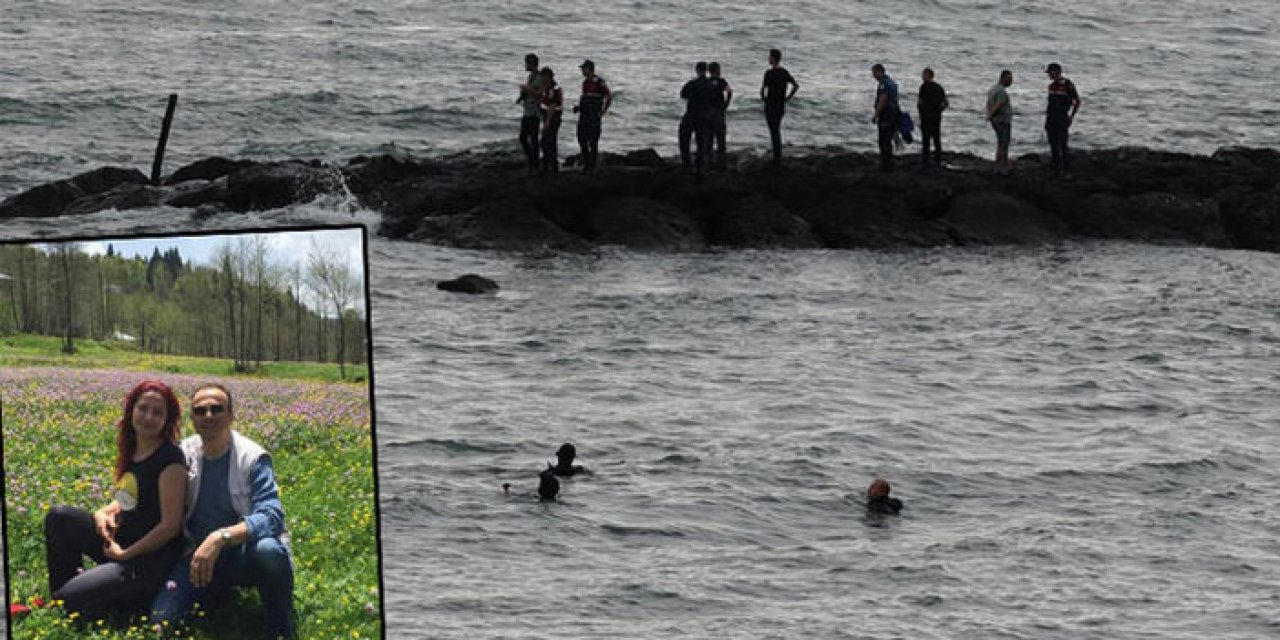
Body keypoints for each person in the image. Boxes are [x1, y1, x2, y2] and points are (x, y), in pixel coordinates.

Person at [150, 383, 295, 639]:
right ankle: (218, 594)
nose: (208, 416)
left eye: (216, 409)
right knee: (161, 623)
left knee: (269, 551)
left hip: (242, 555)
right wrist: (115, 506)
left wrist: (220, 537)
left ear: (231, 416)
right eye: (200, 411)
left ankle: (280, 622)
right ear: (192, 420)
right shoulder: (183, 453)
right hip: (195, 556)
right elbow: (148, 488)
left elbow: (272, 517)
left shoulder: (252, 457)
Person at [43, 381, 187, 621]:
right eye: (143, 408)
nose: (148, 417)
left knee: (70, 600)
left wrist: (126, 554)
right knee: (60, 517)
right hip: (120, 544)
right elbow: (127, 499)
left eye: (157, 412)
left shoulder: (171, 460)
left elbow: (170, 526)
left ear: (166, 420)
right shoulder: (134, 449)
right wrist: (102, 513)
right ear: (132, 409)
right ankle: (67, 594)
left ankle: (111, 600)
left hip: (146, 562)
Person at [760, 49, 798, 165]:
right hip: (780, 104)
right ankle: (777, 154)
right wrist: (787, 98)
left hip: (771, 104)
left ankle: (777, 156)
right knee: (776, 129)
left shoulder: (769, 73)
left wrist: (765, 100)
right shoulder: (784, 72)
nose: (768, 58)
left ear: (773, 58)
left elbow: (763, 90)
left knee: (773, 130)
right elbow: (796, 86)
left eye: (769, 57)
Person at [574, 59, 612, 173]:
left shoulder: (599, 82)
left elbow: (608, 95)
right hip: (584, 114)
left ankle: (592, 166)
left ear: (589, 69)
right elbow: (586, 98)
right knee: (581, 138)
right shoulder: (585, 83)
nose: (582, 71)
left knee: (593, 140)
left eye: (584, 69)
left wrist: (604, 110)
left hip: (593, 115)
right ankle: (587, 162)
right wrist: (579, 107)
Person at [1044, 62, 1081, 176]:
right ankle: (1055, 168)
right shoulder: (1051, 86)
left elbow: (1077, 101)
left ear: (1057, 72)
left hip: (1062, 117)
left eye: (1050, 72)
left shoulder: (1068, 85)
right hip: (1051, 117)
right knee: (1053, 143)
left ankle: (1066, 169)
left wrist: (1071, 116)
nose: (1049, 75)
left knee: (1062, 144)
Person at [679, 61, 716, 174]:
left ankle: (687, 163)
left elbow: (683, 95)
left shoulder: (692, 83)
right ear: (706, 70)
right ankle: (700, 166)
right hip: (705, 116)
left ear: (697, 70)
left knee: (684, 139)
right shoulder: (711, 85)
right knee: (701, 142)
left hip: (691, 114)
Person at [517, 53, 546, 173]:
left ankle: (534, 162)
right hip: (527, 111)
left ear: (531, 64)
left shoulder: (539, 78)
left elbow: (541, 94)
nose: (525, 65)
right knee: (523, 138)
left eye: (527, 63)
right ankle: (531, 160)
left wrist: (528, 89)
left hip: (534, 113)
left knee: (533, 139)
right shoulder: (530, 77)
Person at [871, 64, 901, 171]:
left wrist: (876, 114)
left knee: (883, 139)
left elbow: (883, 100)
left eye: (874, 73)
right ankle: (889, 161)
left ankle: (886, 163)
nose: (873, 76)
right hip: (893, 114)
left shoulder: (884, 84)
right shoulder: (892, 83)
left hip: (886, 114)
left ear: (880, 72)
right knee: (888, 138)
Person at [917, 68, 948, 169]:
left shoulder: (923, 87)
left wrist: (921, 113)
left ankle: (926, 161)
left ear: (928, 75)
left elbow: (920, 102)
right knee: (936, 138)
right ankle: (937, 160)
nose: (922, 77)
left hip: (926, 116)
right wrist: (939, 111)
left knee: (926, 139)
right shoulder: (939, 88)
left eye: (923, 75)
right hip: (936, 116)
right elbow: (945, 103)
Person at [986, 69, 1014, 174]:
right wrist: (990, 115)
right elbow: (998, 104)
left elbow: (988, 104)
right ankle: (1002, 166)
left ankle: (1000, 164)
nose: (1011, 81)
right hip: (1002, 120)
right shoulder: (1001, 91)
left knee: (1000, 142)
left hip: (996, 120)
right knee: (1004, 143)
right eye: (1009, 79)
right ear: (1003, 78)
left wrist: (990, 115)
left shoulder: (993, 89)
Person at [538, 67, 564, 175]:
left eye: (543, 77)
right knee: (547, 142)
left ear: (548, 77)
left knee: (548, 142)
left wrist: (547, 122)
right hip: (548, 116)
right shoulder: (547, 87)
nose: (541, 79)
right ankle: (548, 165)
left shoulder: (553, 88)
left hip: (553, 118)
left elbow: (552, 106)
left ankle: (551, 166)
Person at [708, 61, 734, 170]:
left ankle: (708, 161)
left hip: (708, 112)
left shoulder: (707, 82)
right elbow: (729, 91)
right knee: (720, 138)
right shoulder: (721, 81)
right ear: (717, 70)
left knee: (708, 138)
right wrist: (726, 104)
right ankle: (721, 163)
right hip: (719, 111)